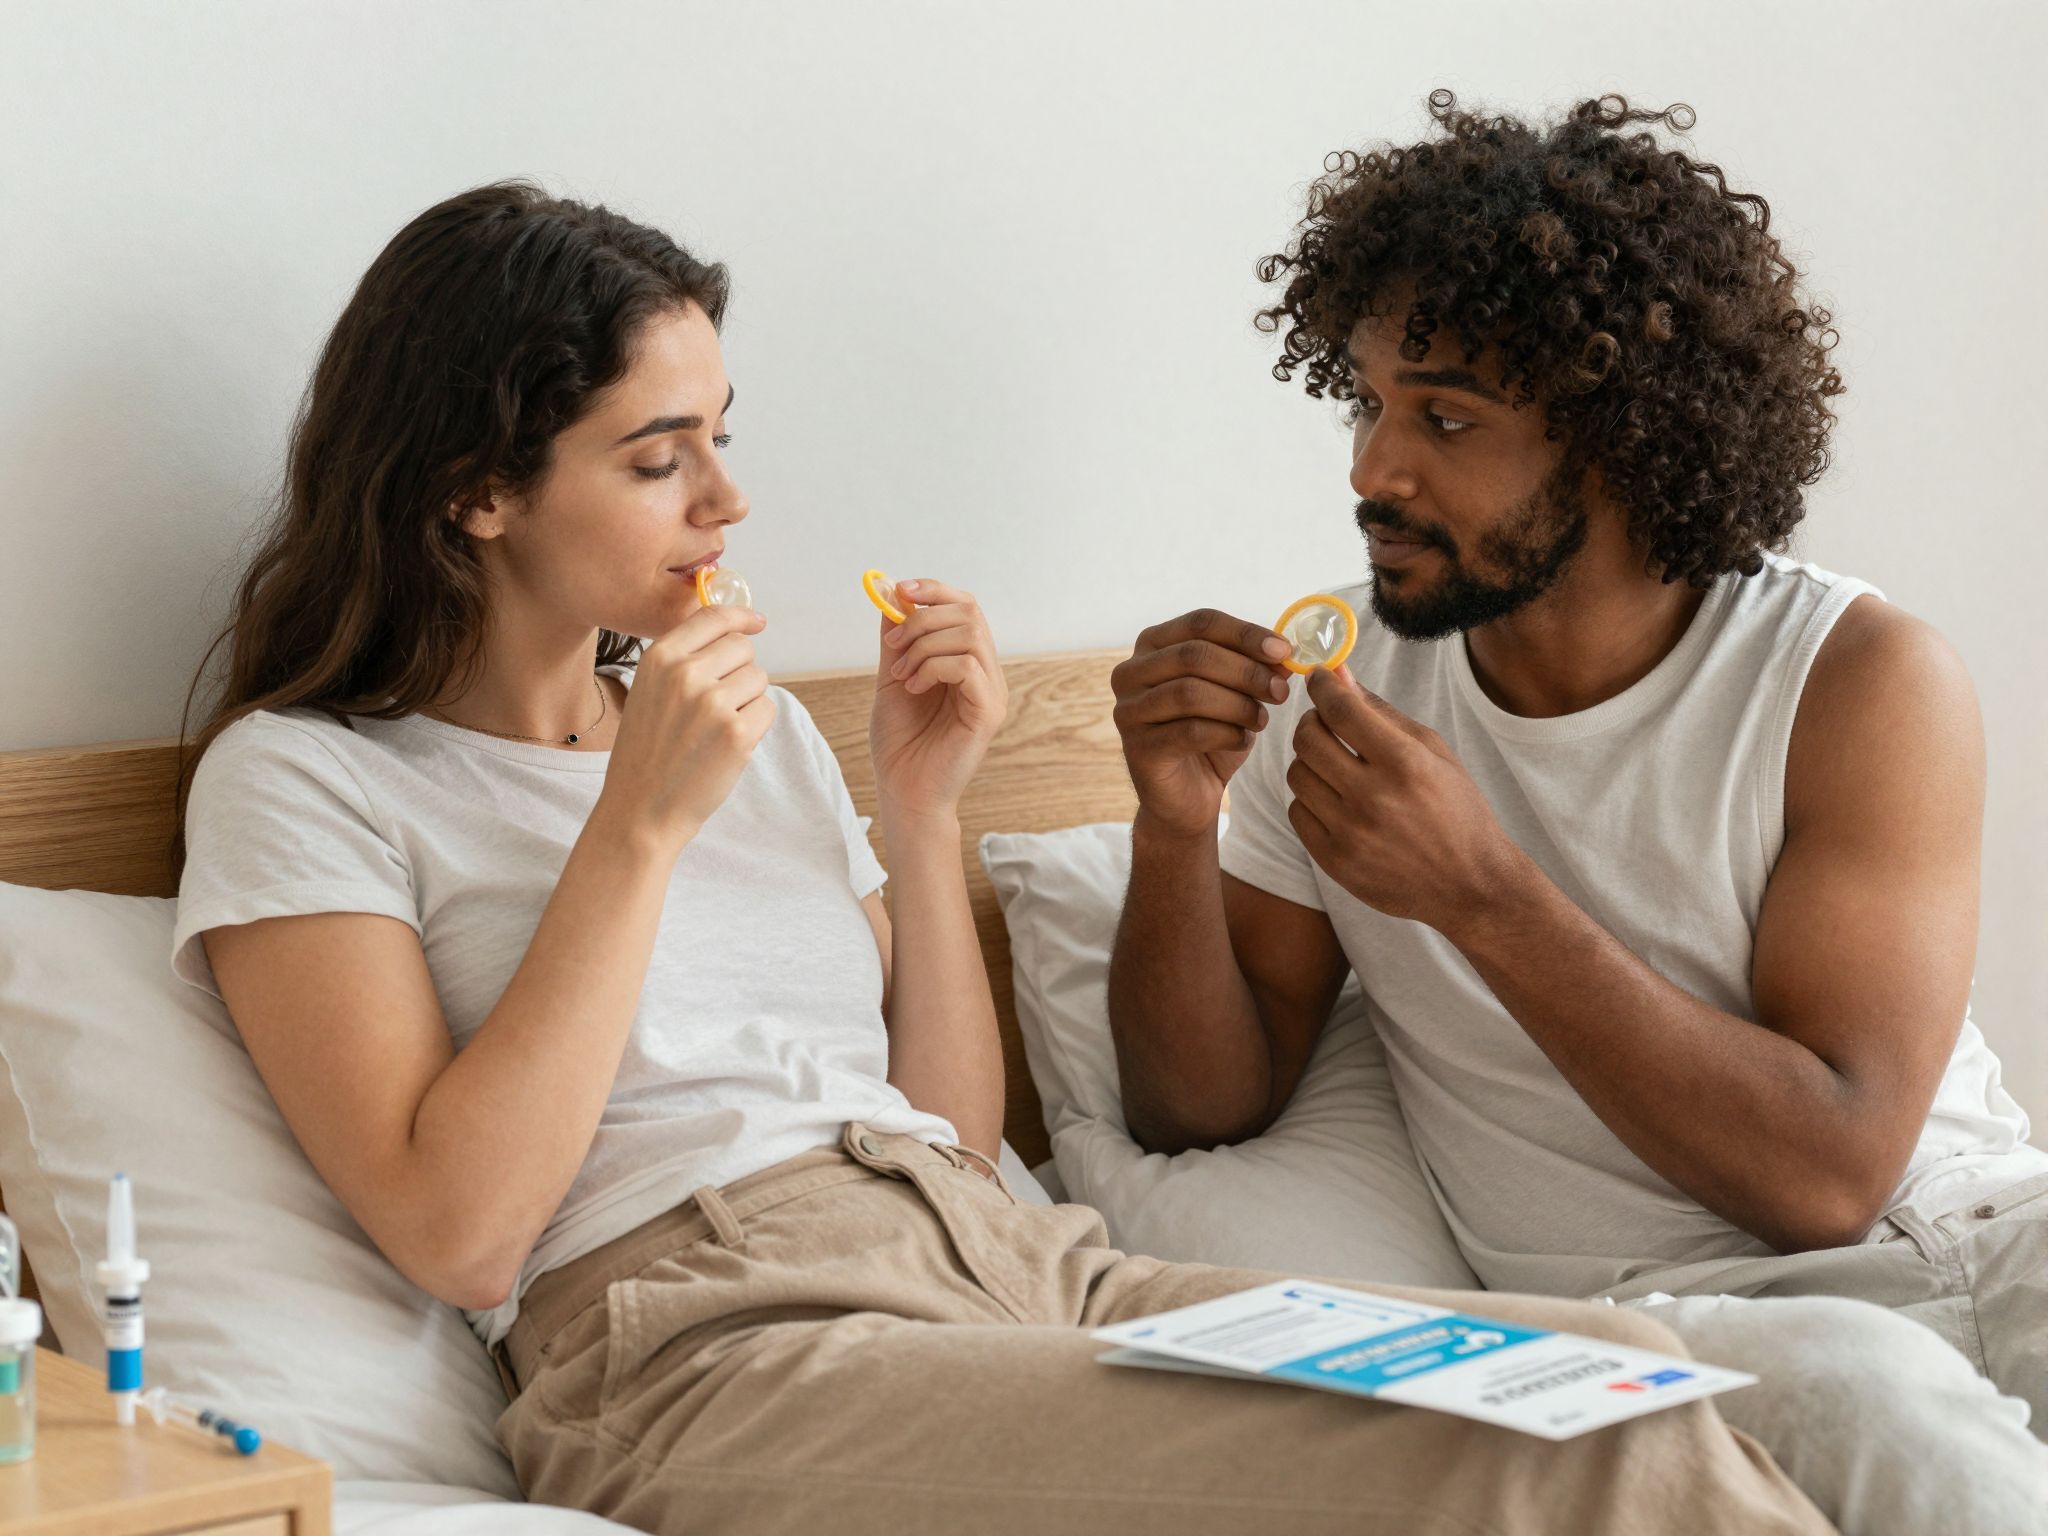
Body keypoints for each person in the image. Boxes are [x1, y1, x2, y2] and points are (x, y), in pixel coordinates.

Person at [164, 179, 1836, 1536]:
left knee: (1622, 1377)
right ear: (477, 494)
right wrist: (637, 828)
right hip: (712, 1347)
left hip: (1010, 1265)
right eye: (659, 458)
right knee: (1541, 1460)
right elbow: (459, 1233)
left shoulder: (743, 738)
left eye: (723, 438)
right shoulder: (309, 780)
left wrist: (921, 801)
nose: (726, 502)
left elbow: (952, 1130)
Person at [1108, 92, 2048, 1534]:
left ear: (1619, 438)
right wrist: (1174, 828)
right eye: (1365, 402)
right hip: (1695, 1327)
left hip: (1988, 1243)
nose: (1372, 470)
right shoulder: (1341, 693)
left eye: (1445, 418)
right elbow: (1198, 1107)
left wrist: (1485, 893)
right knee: (1876, 1399)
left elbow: (1839, 1162)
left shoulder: (1858, 681)